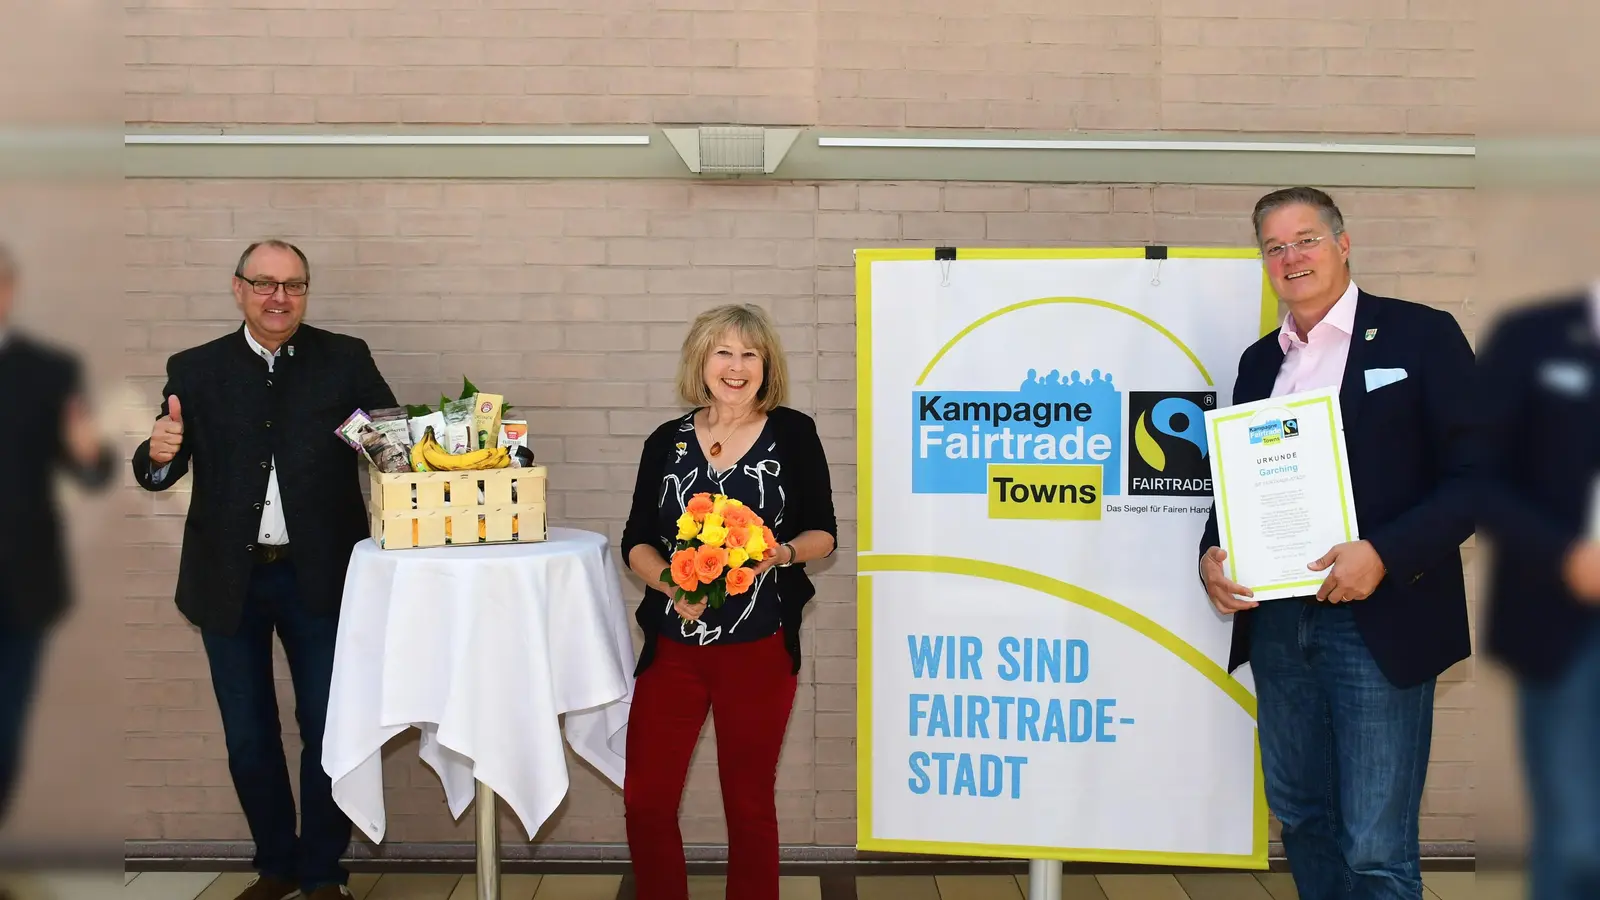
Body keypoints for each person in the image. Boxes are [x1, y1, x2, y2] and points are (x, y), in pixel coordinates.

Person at [1197, 188, 1478, 900]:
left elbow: (1481, 477)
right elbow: (1235, 486)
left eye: (1306, 239)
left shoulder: (1421, 335)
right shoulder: (1259, 362)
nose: (1291, 257)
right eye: (1274, 246)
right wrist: (1213, 553)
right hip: (1281, 624)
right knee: (1302, 818)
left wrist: (1383, 553)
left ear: (1343, 244)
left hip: (1380, 620)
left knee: (1376, 845)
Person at [131, 240, 397, 900]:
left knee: (326, 729)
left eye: (294, 285)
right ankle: (276, 865)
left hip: (322, 581)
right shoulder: (195, 370)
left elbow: (391, 448)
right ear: (238, 288)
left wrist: (460, 452)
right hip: (229, 583)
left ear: (307, 292)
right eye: (265, 284)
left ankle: (323, 874)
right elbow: (159, 466)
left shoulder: (346, 359)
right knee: (249, 736)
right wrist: (156, 453)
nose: (279, 297)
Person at [619, 303, 837, 900]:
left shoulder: (793, 432)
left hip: (758, 650)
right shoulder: (666, 440)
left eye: (750, 354)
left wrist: (780, 554)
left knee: (748, 805)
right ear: (701, 360)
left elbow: (825, 533)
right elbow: (634, 540)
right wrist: (671, 582)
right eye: (724, 352)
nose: (736, 366)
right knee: (646, 801)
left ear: (766, 366)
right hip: (673, 651)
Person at [1476, 288, 1600, 900]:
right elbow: (1477, 474)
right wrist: (1564, 555)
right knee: (1579, 840)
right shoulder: (1531, 336)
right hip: (1565, 623)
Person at [0, 243, 116, 835]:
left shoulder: (49, 371)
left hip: (22, 586)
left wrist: (88, 453)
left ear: (10, 290)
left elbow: (92, 472)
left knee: (3, 731)